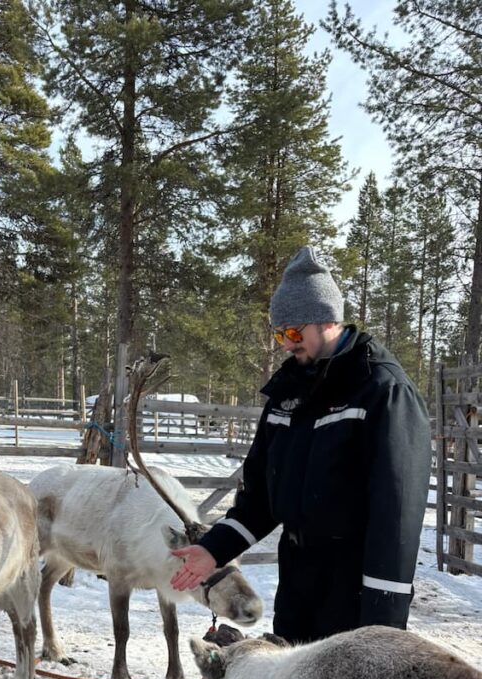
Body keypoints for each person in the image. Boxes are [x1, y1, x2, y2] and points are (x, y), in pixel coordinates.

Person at [170, 245, 432, 643]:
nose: (287, 344)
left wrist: (382, 625)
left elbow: (396, 519)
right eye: (279, 334)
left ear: (329, 320)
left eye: (294, 332)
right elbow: (260, 499)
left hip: (354, 587)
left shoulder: (382, 391)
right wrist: (212, 550)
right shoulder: (288, 395)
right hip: (297, 580)